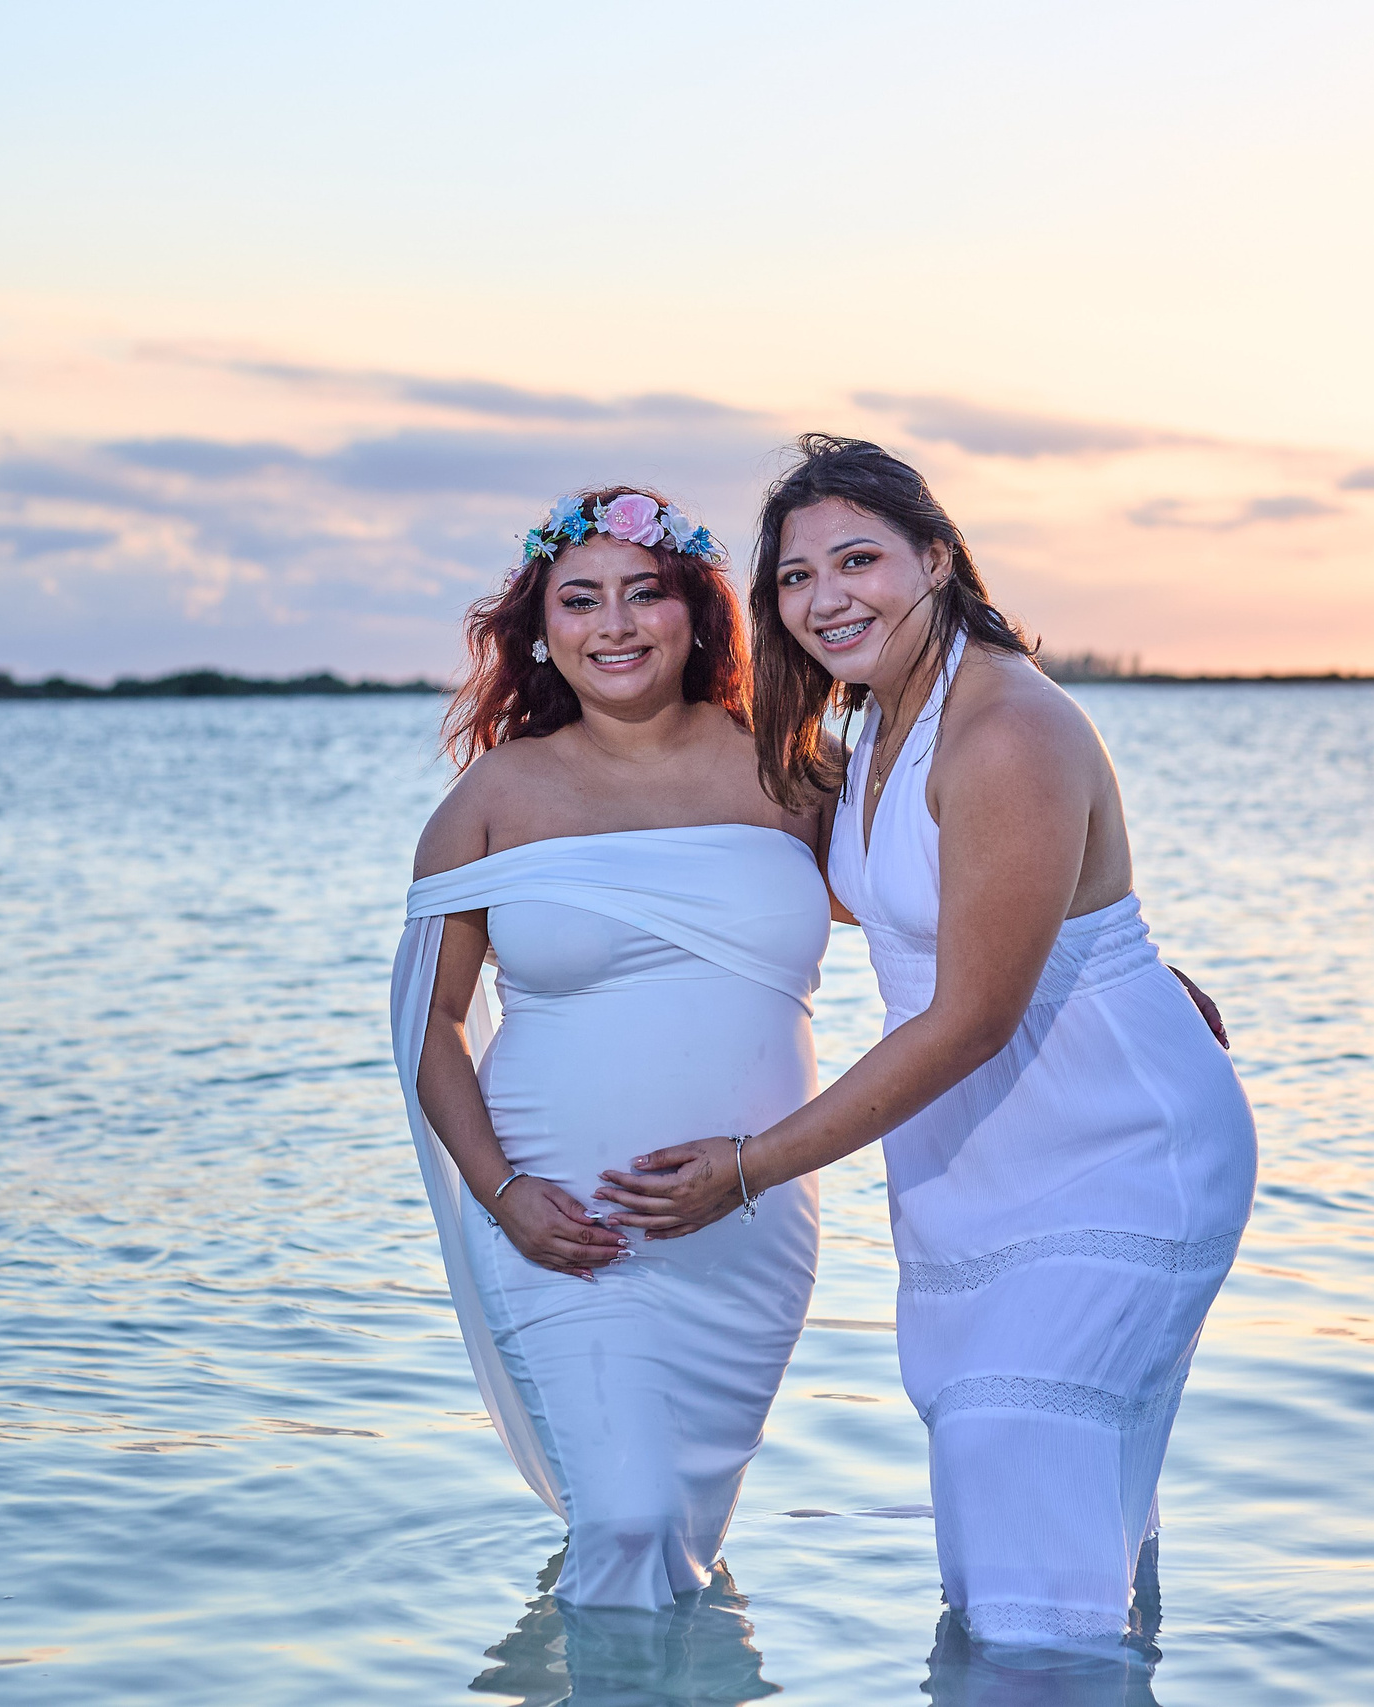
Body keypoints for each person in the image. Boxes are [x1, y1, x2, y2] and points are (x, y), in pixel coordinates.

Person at [598, 437, 1257, 1656]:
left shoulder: (1003, 725)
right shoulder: (882, 729)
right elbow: (905, 898)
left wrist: (749, 1165)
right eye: (795, 579)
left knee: (1024, 1546)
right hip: (979, 1163)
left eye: (860, 560)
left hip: (1111, 1151)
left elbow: (970, 1015)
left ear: (938, 558)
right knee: (1035, 1539)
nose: (826, 597)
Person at [388, 487, 828, 1610]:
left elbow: (955, 911)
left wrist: (1126, 968)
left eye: (645, 593)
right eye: (580, 600)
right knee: (630, 1523)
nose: (615, 624)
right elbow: (429, 1027)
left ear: (697, 616)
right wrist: (503, 1194)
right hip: (562, 1219)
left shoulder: (791, 771)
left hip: (749, 1220)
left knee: (674, 1538)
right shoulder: (493, 800)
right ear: (542, 628)